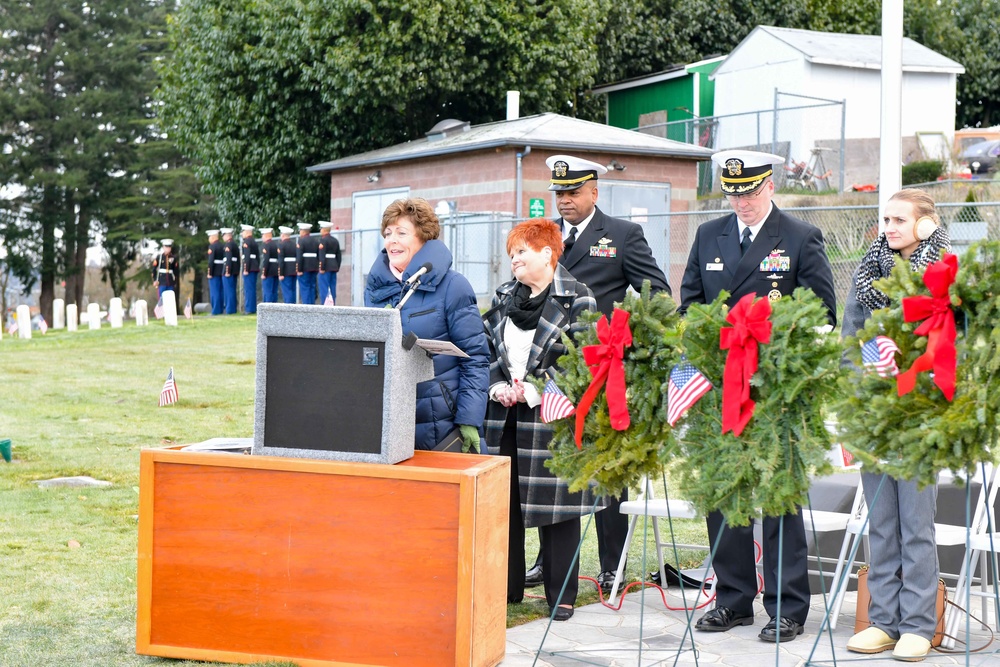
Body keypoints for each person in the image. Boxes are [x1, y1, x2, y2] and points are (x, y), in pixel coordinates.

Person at [678, 149, 837, 643]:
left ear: (769, 186)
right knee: (724, 495)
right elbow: (689, 306)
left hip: (775, 394)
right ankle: (732, 599)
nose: (740, 201)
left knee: (777, 500)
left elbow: (823, 314)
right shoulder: (709, 236)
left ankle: (787, 607)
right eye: (732, 192)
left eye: (748, 191)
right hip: (721, 389)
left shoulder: (798, 237)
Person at [537, 153, 672, 595]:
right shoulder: (544, 237)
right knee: (552, 470)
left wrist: (625, 339)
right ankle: (549, 561)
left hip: (601, 372)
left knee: (607, 470)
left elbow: (657, 294)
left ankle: (613, 564)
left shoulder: (622, 235)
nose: (565, 200)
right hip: (553, 370)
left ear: (595, 191)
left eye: (573, 192)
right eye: (559, 192)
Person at [842, 189, 950, 661]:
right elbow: (850, 337)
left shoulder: (943, 271)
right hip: (875, 413)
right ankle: (883, 620)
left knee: (915, 523)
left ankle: (918, 626)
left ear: (925, 224)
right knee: (881, 522)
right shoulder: (868, 271)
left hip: (920, 413)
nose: (888, 227)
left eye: (899, 219)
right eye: (884, 218)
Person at [484, 219, 600, 622]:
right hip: (503, 417)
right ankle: (506, 587)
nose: (514, 259)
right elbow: (486, 350)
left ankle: (562, 594)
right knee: (503, 507)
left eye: (522, 252)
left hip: (553, 418)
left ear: (547, 254)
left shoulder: (580, 299)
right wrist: (499, 385)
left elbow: (582, 360)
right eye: (511, 253)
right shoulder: (502, 297)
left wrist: (534, 390)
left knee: (558, 512)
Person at [364, 198, 488, 452]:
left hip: (442, 426)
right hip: (387, 423)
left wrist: (469, 418)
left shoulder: (453, 286)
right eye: (388, 233)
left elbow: (475, 357)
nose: (392, 240)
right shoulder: (375, 290)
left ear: (423, 237)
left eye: (401, 232)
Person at [318, 222, 342, 304]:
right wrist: (337, 266)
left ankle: (325, 306)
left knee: (324, 288)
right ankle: (333, 304)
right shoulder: (335, 240)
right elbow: (339, 255)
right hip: (333, 266)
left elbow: (322, 255)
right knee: (332, 288)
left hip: (326, 267)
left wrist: (322, 268)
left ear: (324, 230)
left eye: (321, 229)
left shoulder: (323, 240)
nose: (320, 230)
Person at [296, 222, 320, 304]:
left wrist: (299, 269)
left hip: (305, 268)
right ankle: (312, 306)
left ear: (303, 231)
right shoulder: (315, 241)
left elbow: (299, 257)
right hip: (314, 267)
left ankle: (306, 306)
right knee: (312, 287)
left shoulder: (301, 241)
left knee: (305, 288)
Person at [240, 224, 260, 314]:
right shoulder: (254, 241)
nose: (242, 233)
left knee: (248, 289)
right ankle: (252, 308)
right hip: (254, 267)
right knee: (251, 288)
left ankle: (249, 309)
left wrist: (246, 269)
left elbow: (247, 257)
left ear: (247, 232)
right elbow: (258, 257)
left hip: (249, 268)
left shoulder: (246, 242)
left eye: (243, 231)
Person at [258, 228, 280, 303]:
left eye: (263, 235)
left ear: (266, 235)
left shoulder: (266, 245)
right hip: (275, 270)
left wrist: (264, 273)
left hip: (269, 271)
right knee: (274, 291)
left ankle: (267, 309)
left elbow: (266, 260)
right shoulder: (275, 244)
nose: (262, 237)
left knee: (268, 291)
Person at [277, 226, 298, 303]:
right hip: (293, 270)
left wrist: (281, 273)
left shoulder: (281, 245)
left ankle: (288, 308)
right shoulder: (294, 245)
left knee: (287, 291)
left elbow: (281, 260)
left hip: (286, 271)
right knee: (293, 290)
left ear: (283, 235)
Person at [220, 228, 239, 314]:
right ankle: (232, 308)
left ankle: (230, 309)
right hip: (234, 270)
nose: (223, 237)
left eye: (223, 235)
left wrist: (227, 271)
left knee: (229, 291)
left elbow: (228, 259)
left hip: (229, 271)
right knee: (231, 289)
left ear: (227, 235)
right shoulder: (234, 244)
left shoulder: (228, 245)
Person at [205, 230, 224, 315]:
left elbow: (211, 261)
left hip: (215, 271)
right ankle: (221, 308)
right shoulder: (222, 246)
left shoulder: (212, 247)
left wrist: (209, 272)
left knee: (215, 291)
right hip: (222, 270)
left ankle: (215, 309)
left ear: (212, 237)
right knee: (221, 290)